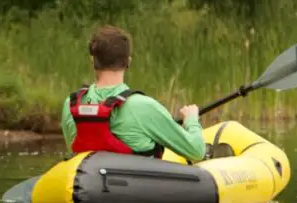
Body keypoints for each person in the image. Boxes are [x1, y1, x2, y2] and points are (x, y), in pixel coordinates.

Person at [61, 25, 206, 161]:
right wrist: (191, 120)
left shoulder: (71, 104)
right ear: (128, 62)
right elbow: (197, 152)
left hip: (88, 185)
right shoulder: (144, 107)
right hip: (135, 187)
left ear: (92, 61)